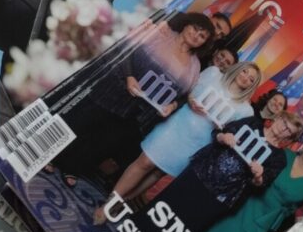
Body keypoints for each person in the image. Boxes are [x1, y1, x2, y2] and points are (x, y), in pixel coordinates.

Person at [53, 12, 216, 185]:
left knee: (103, 139)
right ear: (186, 24)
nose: (196, 36)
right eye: (195, 29)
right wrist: (129, 76)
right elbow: (126, 47)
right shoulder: (161, 32)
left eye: (202, 36)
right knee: (83, 122)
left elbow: (185, 96)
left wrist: (173, 105)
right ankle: (53, 157)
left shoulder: (195, 65)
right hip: (115, 89)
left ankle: (73, 167)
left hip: (138, 111)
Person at [94, 61, 261, 222]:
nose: (245, 77)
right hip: (177, 124)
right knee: (145, 161)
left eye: (251, 79)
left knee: (158, 173)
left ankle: (118, 204)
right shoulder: (213, 74)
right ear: (238, 68)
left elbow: (230, 134)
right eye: (245, 71)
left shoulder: (246, 111)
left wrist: (224, 131)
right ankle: (109, 203)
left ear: (252, 86)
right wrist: (191, 101)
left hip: (199, 142)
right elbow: (188, 91)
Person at [147, 110, 303, 232]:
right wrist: (224, 137)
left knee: (185, 226)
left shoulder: (279, 158)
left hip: (223, 196)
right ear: (278, 118)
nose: (283, 129)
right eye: (284, 122)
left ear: (290, 138)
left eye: (289, 131)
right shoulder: (252, 122)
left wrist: (258, 175)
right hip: (201, 172)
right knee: (166, 204)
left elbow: (261, 185)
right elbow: (218, 133)